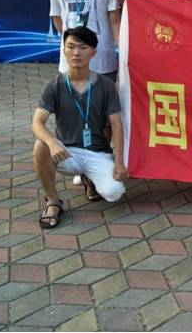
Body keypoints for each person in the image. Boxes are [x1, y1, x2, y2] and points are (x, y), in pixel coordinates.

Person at [32, 27, 127, 229]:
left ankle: (89, 178)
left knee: (114, 193)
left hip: (98, 152)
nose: (76, 53)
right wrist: (51, 143)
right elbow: (37, 123)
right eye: (71, 47)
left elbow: (116, 124)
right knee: (40, 146)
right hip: (67, 153)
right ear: (64, 50)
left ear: (93, 52)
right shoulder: (54, 86)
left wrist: (119, 162)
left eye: (83, 48)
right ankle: (53, 201)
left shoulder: (106, 86)